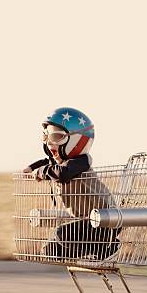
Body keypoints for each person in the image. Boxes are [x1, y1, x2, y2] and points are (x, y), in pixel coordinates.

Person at [24, 107, 121, 261]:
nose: (50, 144)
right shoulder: (62, 162)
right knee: (50, 251)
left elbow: (63, 173)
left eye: (56, 137)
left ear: (77, 140)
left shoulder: (81, 161)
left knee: (62, 234)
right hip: (86, 222)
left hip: (104, 220)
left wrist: (42, 172)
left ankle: (108, 246)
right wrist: (31, 168)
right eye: (47, 137)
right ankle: (97, 251)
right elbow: (47, 161)